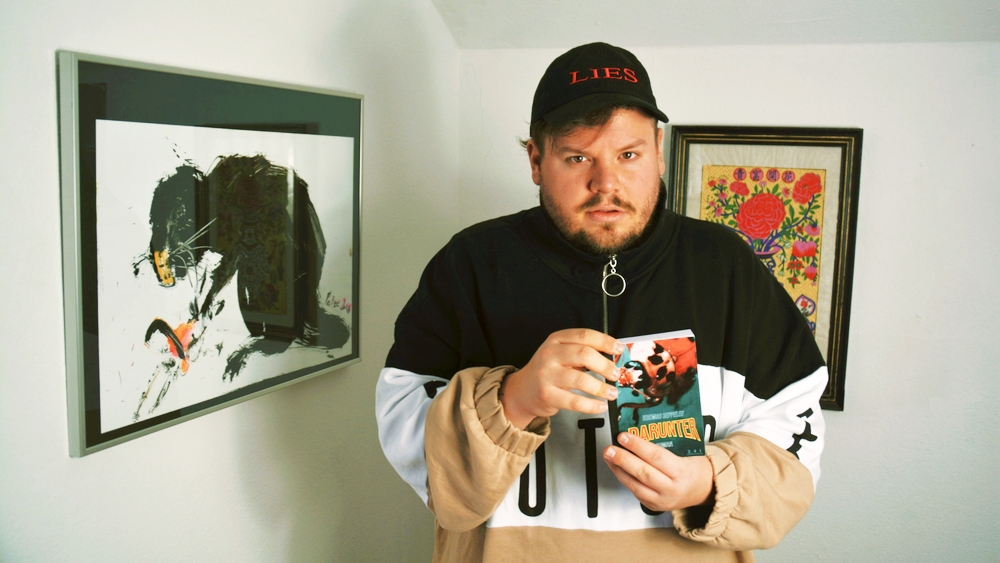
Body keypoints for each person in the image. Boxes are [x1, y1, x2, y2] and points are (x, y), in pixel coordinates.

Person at [376, 42, 827, 562]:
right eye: (577, 158)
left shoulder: (726, 266)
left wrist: (707, 483)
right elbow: (404, 429)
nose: (605, 184)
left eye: (628, 155)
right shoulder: (471, 264)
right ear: (536, 160)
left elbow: (798, 424)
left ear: (659, 151)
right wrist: (515, 399)